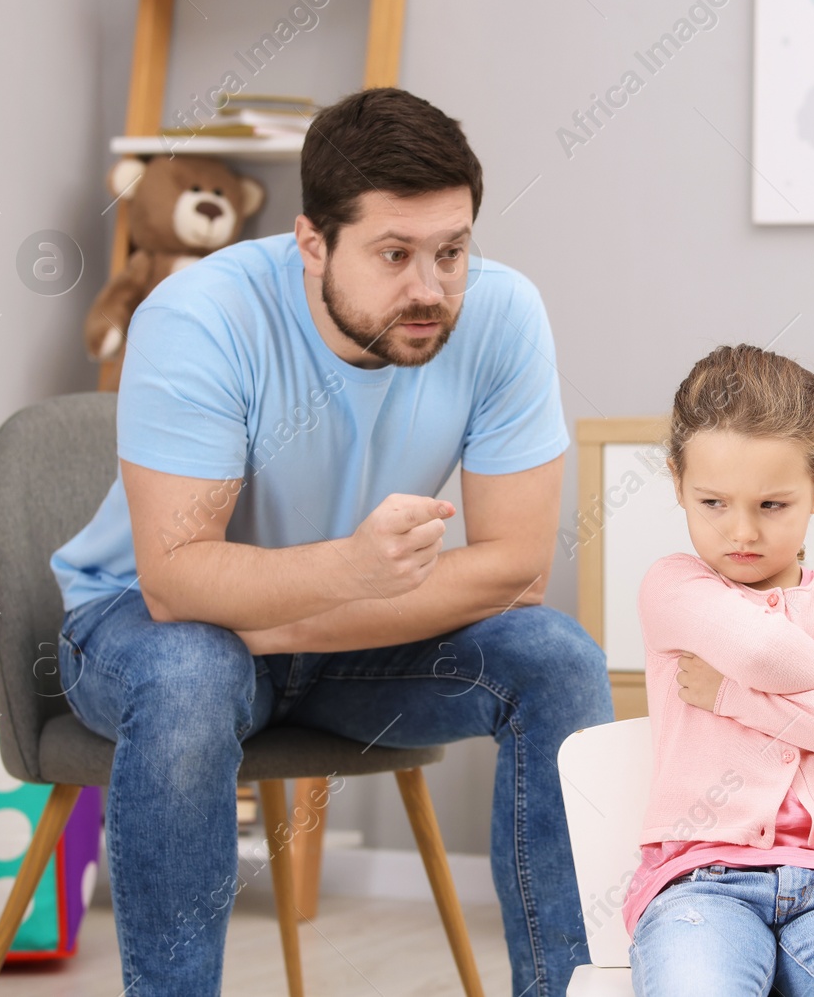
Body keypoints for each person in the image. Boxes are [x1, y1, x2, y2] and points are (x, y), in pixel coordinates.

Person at [49, 86, 613, 997]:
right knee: (193, 671)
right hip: (139, 630)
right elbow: (176, 584)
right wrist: (351, 570)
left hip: (329, 641)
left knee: (556, 657)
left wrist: (294, 622)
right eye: (394, 254)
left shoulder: (504, 316)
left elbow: (516, 570)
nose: (429, 288)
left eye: (452, 250)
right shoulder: (200, 317)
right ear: (313, 243)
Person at [624, 344, 814, 996]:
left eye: (772, 505)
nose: (741, 531)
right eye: (713, 502)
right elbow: (765, 651)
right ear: (677, 481)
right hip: (702, 880)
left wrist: (737, 695)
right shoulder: (673, 585)